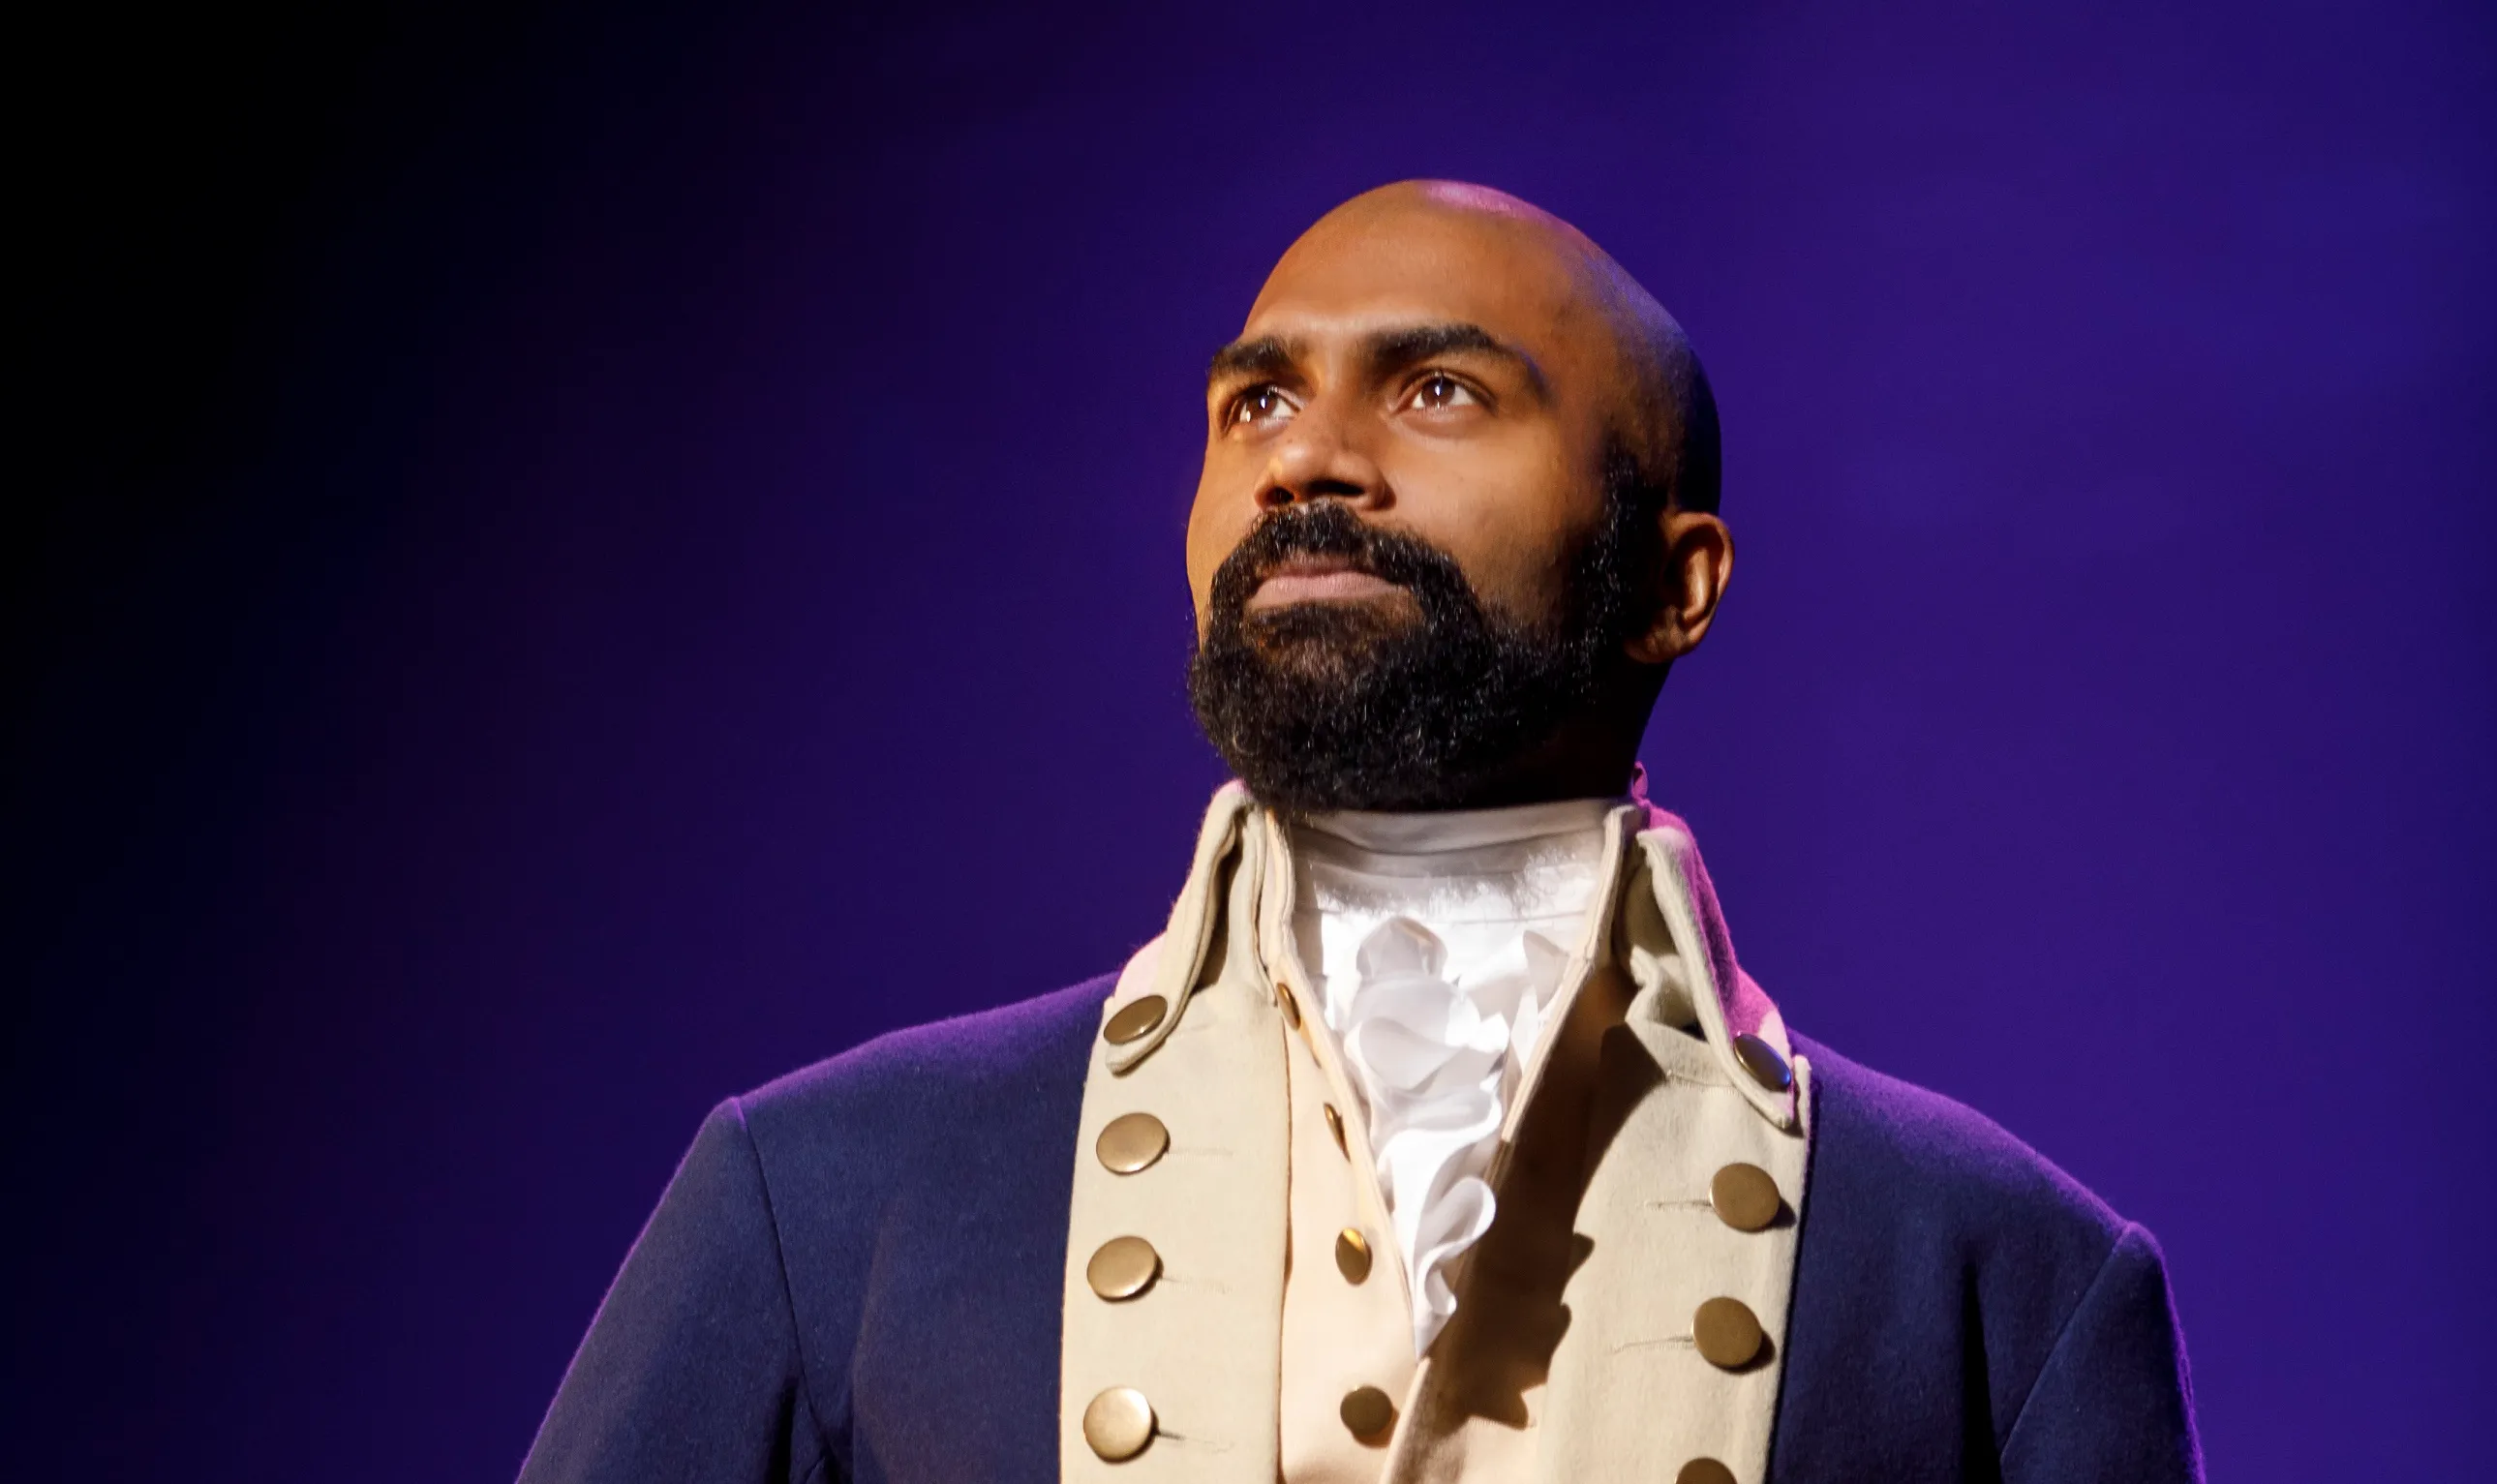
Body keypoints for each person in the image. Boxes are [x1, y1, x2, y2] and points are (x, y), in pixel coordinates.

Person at [519, 181, 2204, 1484]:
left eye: (1439, 390)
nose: (1308, 460)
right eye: (1256, 404)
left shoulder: (1996, 1279)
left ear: (1673, 582)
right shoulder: (824, 1198)